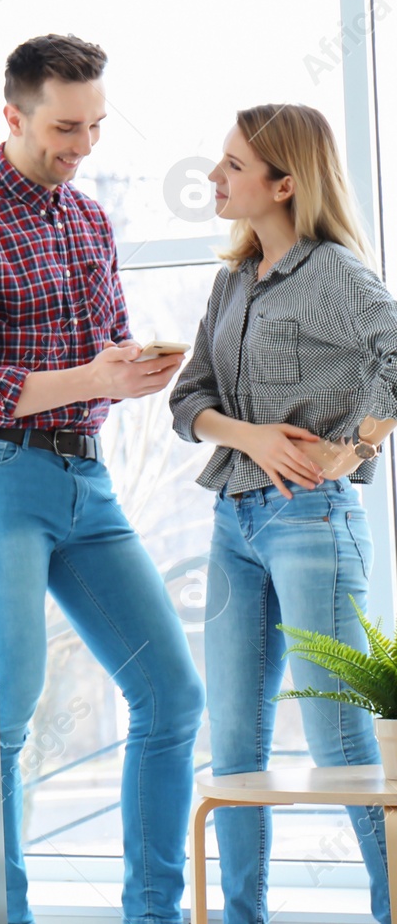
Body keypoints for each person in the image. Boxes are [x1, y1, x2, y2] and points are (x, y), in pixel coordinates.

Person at [0, 33, 204, 924]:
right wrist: (93, 379)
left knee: (170, 694)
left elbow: (103, 339)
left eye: (97, 126)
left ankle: (152, 913)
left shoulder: (88, 220)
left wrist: (128, 368)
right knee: (2, 719)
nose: (83, 146)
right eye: (67, 127)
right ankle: (5, 917)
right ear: (13, 115)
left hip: (87, 481)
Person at [169, 104, 396, 923]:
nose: (214, 177)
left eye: (231, 165)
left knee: (338, 740)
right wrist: (252, 435)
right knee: (233, 747)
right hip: (234, 521)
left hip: (312, 522)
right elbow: (188, 397)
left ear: (284, 183)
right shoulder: (234, 281)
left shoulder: (335, 274)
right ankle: (243, 917)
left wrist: (354, 450)